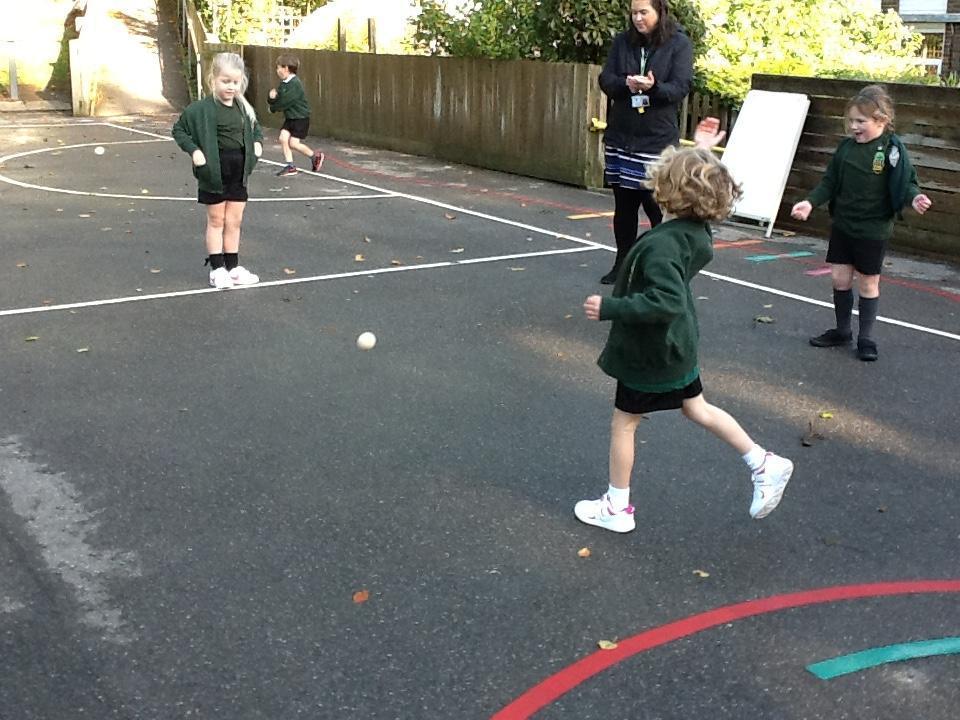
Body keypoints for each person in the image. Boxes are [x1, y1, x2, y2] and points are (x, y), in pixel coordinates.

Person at [575, 119, 794, 534]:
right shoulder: (692, 230)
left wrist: (611, 307)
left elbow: (667, 301)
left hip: (653, 351)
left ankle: (617, 507)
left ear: (670, 192)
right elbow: (699, 183)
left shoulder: (663, 245)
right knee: (696, 408)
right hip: (677, 345)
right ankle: (763, 463)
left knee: (625, 422)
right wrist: (702, 152)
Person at [791, 85, 932, 362]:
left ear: (881, 120)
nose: (854, 127)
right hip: (844, 225)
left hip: (873, 229)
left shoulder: (892, 149)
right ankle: (842, 331)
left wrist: (915, 198)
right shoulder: (845, 149)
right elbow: (829, 182)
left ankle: (866, 338)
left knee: (868, 283)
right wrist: (810, 202)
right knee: (839, 279)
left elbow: (906, 182)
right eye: (851, 121)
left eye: (861, 121)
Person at [597, 0, 693, 284]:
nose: (638, 18)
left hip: (656, 140)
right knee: (624, 207)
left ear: (659, 12)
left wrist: (654, 88)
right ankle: (622, 264)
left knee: (657, 207)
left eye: (643, 12)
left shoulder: (678, 44)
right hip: (623, 136)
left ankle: (662, 267)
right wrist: (625, 84)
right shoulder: (622, 42)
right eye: (634, 13)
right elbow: (606, 79)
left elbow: (681, 87)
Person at [172, 52, 263, 289]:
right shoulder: (201, 109)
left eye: (235, 82)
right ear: (213, 79)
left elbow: (256, 129)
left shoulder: (244, 109)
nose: (231, 87)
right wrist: (194, 151)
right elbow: (179, 130)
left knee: (234, 220)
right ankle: (217, 268)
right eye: (225, 81)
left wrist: (257, 144)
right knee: (216, 220)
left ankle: (233, 268)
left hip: (239, 172)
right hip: (214, 171)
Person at [268, 54, 324, 177]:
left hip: (300, 118)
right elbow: (279, 99)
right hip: (290, 118)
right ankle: (290, 166)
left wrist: (272, 108)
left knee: (293, 143)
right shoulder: (284, 83)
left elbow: (286, 102)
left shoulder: (295, 84)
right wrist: (271, 98)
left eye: (279, 67)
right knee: (283, 138)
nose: (277, 70)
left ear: (286, 68)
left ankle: (314, 156)